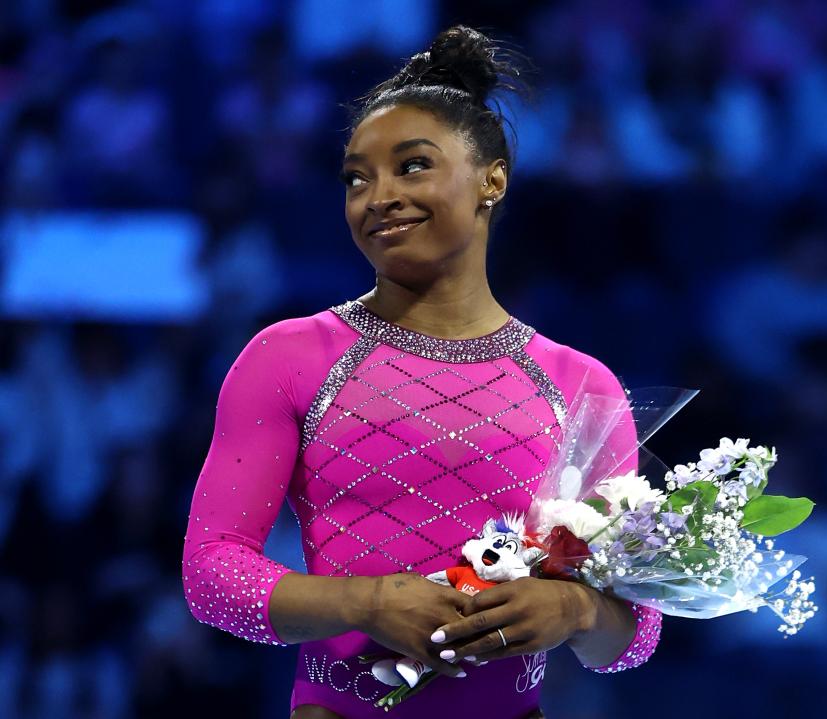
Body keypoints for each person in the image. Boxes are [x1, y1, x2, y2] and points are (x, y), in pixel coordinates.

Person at [182, 25, 662, 719]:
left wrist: (572, 606)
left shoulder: (580, 383)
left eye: (411, 166)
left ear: (492, 179)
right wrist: (366, 600)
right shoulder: (289, 356)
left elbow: (635, 633)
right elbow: (212, 574)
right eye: (356, 176)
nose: (377, 195)